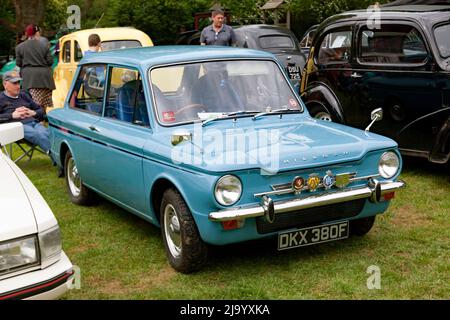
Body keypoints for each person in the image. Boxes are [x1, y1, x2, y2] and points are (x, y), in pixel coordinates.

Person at [0, 71, 51, 154]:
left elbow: (41, 110)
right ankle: (58, 158)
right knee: (38, 135)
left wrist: (33, 112)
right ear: (5, 84)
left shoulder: (23, 95)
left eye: (19, 82)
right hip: (17, 127)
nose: (18, 86)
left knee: (47, 133)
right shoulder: (1, 99)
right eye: (14, 83)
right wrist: (12, 115)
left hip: (34, 123)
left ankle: (58, 158)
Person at [15, 24, 55, 113]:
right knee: (43, 105)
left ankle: (36, 123)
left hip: (31, 79)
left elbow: (18, 63)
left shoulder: (19, 47)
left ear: (27, 34)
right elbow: (50, 62)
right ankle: (42, 122)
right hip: (46, 79)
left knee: (34, 104)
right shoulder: (44, 45)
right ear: (37, 33)